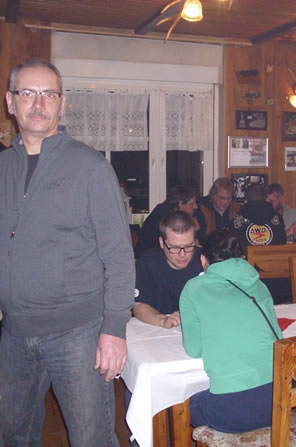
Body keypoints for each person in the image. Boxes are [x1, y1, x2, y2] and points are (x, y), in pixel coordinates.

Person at [0, 59, 134, 446]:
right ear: (10, 102)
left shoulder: (90, 167)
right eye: (28, 93)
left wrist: (114, 329)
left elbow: (119, 256)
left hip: (78, 335)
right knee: (12, 436)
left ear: (63, 104)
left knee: (91, 439)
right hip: (14, 335)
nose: (38, 103)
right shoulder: (2, 167)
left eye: (49, 94)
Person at [179, 230, 282, 433]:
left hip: (232, 412)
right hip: (279, 401)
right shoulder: (259, 284)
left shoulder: (193, 288)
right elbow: (278, 337)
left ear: (203, 260)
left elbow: (195, 350)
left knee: (177, 402)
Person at [134, 210, 203, 328]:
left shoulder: (205, 261)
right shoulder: (147, 262)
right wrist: (163, 320)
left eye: (189, 246)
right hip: (157, 328)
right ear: (162, 242)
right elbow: (139, 306)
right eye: (174, 247)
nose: (182, 254)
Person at [134, 185, 198, 257]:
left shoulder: (164, 209)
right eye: (192, 204)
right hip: (150, 257)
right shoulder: (169, 215)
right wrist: (193, 229)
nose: (196, 207)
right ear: (181, 204)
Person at [194, 177, 241, 242]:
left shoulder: (236, 208)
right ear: (213, 195)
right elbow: (200, 238)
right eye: (222, 198)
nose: (226, 202)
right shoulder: (201, 209)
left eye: (229, 198)